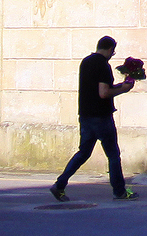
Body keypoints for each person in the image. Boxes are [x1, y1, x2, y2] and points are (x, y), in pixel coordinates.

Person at [50, 35, 137, 201]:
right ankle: (119, 191)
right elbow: (104, 93)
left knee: (83, 153)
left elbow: (96, 88)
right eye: (113, 51)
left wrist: (119, 86)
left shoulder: (86, 62)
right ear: (110, 49)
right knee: (113, 155)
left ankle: (60, 184)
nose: (113, 55)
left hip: (85, 116)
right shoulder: (103, 65)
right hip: (101, 117)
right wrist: (123, 89)